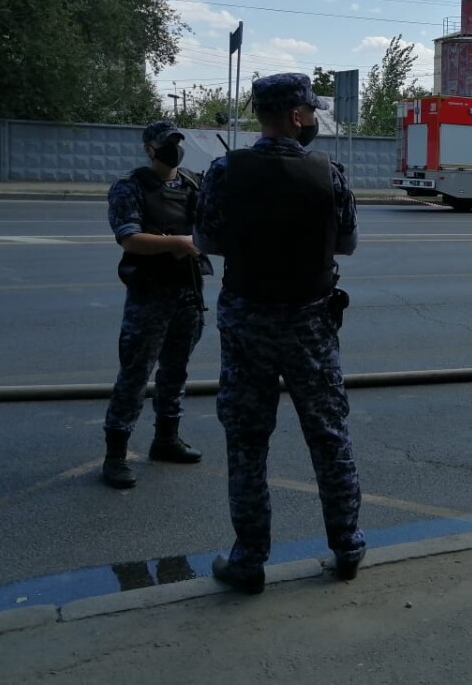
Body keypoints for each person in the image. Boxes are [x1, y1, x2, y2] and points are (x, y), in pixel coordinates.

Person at [195, 72, 364, 596]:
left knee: (247, 441)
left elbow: (206, 238)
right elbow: (348, 245)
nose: (314, 119)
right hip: (310, 323)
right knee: (328, 435)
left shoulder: (224, 171)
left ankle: (249, 560)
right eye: (311, 111)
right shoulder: (328, 173)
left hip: (247, 320)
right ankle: (347, 547)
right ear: (295, 115)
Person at [103, 120, 211, 489]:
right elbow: (129, 239)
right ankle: (115, 455)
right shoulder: (130, 187)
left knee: (176, 372)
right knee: (134, 375)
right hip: (149, 295)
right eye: (166, 143)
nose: (173, 149)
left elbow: (212, 227)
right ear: (150, 149)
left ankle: (166, 440)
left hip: (188, 292)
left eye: (177, 142)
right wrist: (177, 243)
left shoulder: (194, 184)